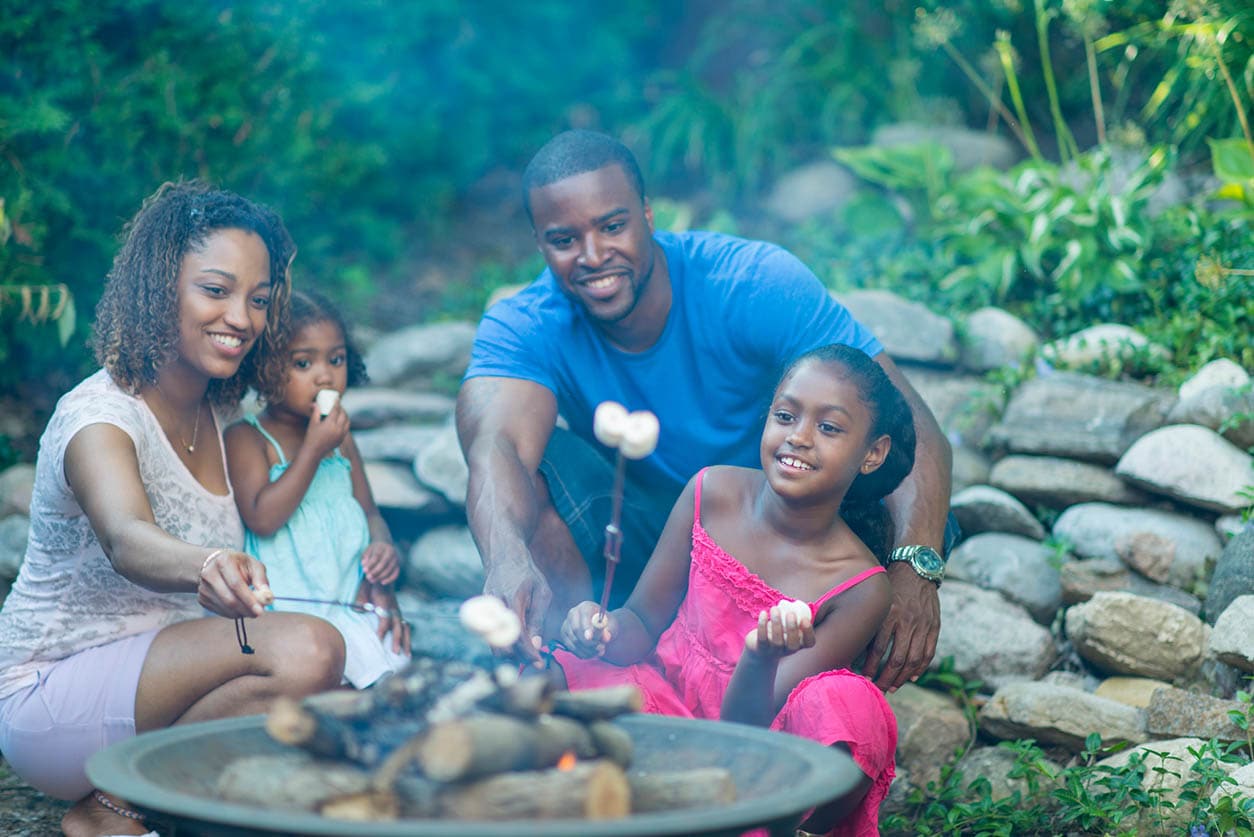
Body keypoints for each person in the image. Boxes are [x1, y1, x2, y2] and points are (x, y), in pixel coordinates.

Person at [457, 129, 954, 689]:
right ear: (538, 241)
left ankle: (819, 706)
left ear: (648, 214)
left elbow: (903, 420)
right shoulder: (522, 325)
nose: (594, 256)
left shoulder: (752, 284)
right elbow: (495, 445)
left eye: (613, 226)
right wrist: (505, 559)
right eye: (564, 239)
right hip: (645, 542)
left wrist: (915, 565)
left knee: (881, 493)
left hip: (783, 540)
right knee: (532, 464)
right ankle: (576, 672)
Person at [0, 182, 346, 837]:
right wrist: (207, 562)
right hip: (51, 696)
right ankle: (115, 809)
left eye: (259, 299)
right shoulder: (97, 416)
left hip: (166, 680)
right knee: (307, 650)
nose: (241, 318)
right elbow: (127, 536)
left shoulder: (223, 414)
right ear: (159, 288)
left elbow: (294, 522)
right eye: (215, 290)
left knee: (348, 694)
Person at [556, 344, 914, 836]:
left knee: (850, 701)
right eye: (785, 415)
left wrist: (760, 656)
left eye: (829, 427)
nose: (799, 438)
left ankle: (770, 825)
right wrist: (601, 629)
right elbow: (640, 622)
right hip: (664, 708)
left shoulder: (861, 587)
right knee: (561, 674)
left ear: (873, 453)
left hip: (760, 759)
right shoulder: (711, 491)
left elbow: (747, 730)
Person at [225, 289, 411, 688]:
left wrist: (383, 549)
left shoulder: (341, 439)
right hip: (293, 610)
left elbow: (370, 512)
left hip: (350, 601)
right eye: (303, 363)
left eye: (336, 359)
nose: (325, 375)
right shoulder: (248, 438)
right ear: (264, 369)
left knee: (395, 684)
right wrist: (312, 450)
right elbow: (262, 518)